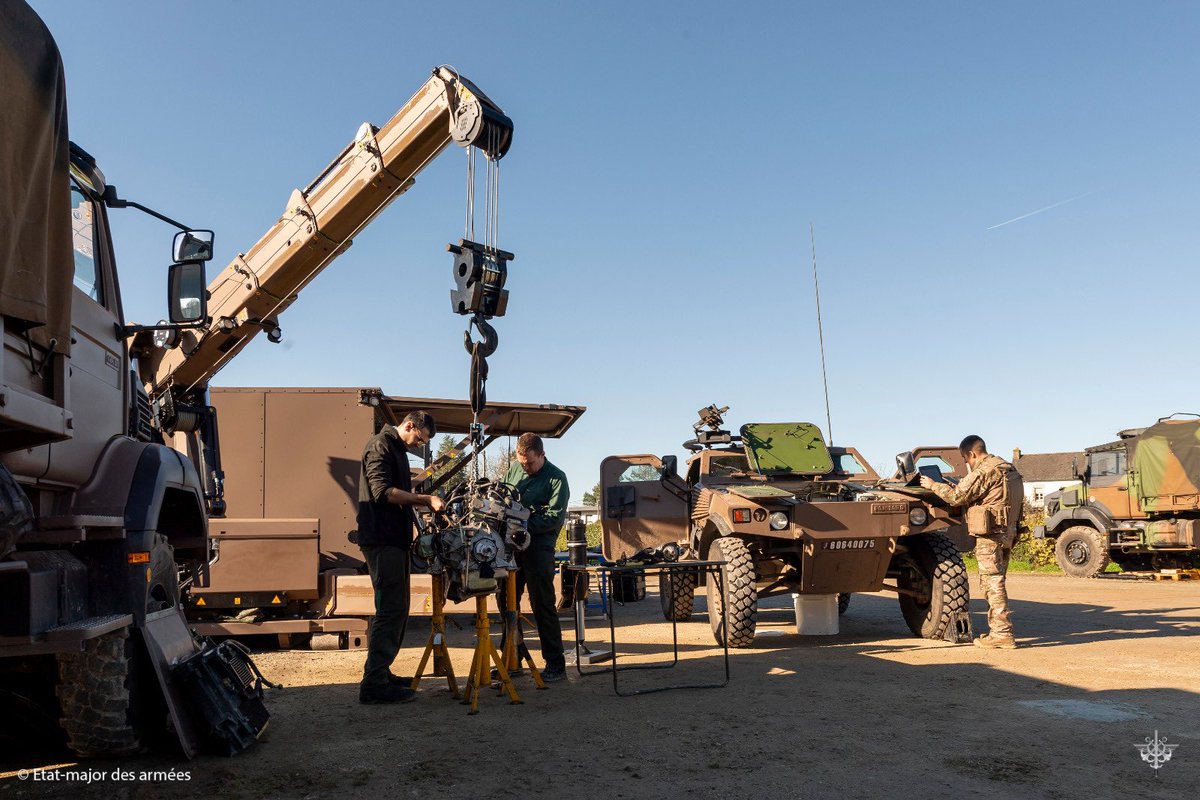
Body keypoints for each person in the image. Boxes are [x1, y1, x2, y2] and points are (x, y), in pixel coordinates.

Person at [357, 410, 445, 703]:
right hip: (382, 541)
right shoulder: (380, 445)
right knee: (390, 610)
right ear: (409, 425)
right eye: (418, 438)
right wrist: (423, 499)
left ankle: (382, 673)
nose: (417, 445)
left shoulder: (396, 448)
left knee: (398, 608)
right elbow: (382, 492)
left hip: (394, 541)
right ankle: (373, 684)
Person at [920, 435, 1024, 649]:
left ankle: (1002, 633)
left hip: (990, 535)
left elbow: (957, 496)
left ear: (972, 454)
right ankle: (998, 630)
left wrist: (933, 485)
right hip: (1007, 533)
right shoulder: (1007, 468)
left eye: (966, 459)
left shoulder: (984, 470)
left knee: (992, 583)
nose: (967, 463)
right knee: (997, 580)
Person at [501, 433, 570, 682]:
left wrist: (523, 523)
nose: (525, 467)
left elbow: (553, 518)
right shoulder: (514, 471)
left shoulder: (556, 479)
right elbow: (503, 498)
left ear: (541, 455)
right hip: (511, 546)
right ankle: (513, 657)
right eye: (521, 463)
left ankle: (555, 663)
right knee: (506, 601)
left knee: (542, 603)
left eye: (529, 463)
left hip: (539, 545)